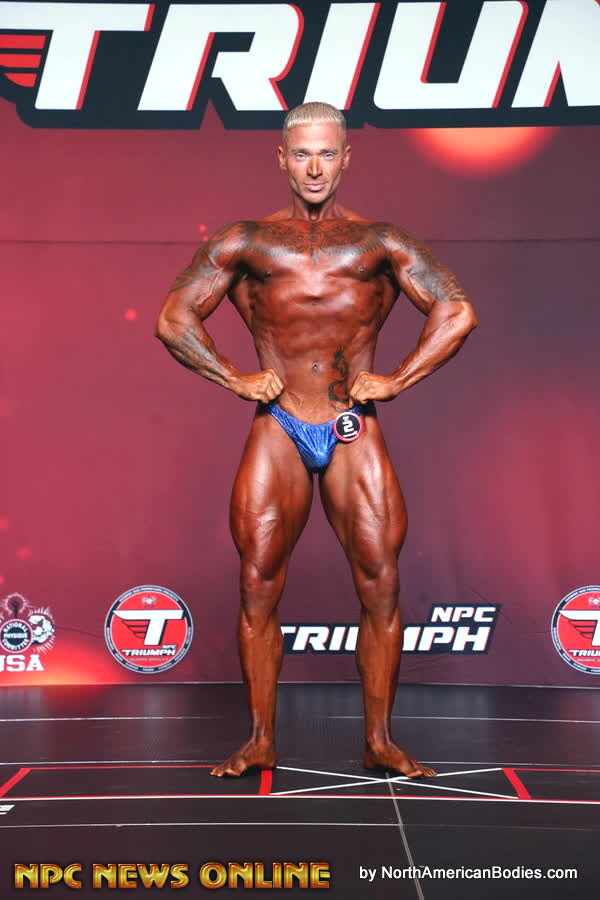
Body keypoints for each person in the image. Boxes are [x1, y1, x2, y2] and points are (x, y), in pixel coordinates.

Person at [155, 102, 477, 779]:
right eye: (301, 153)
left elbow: (456, 310)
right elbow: (174, 318)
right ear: (281, 158)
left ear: (345, 158)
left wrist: (398, 379)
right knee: (257, 582)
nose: (313, 167)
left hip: (351, 423)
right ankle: (260, 739)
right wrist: (234, 377)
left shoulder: (379, 242)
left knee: (381, 583)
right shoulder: (247, 241)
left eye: (326, 153)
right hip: (278, 422)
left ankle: (379, 740)